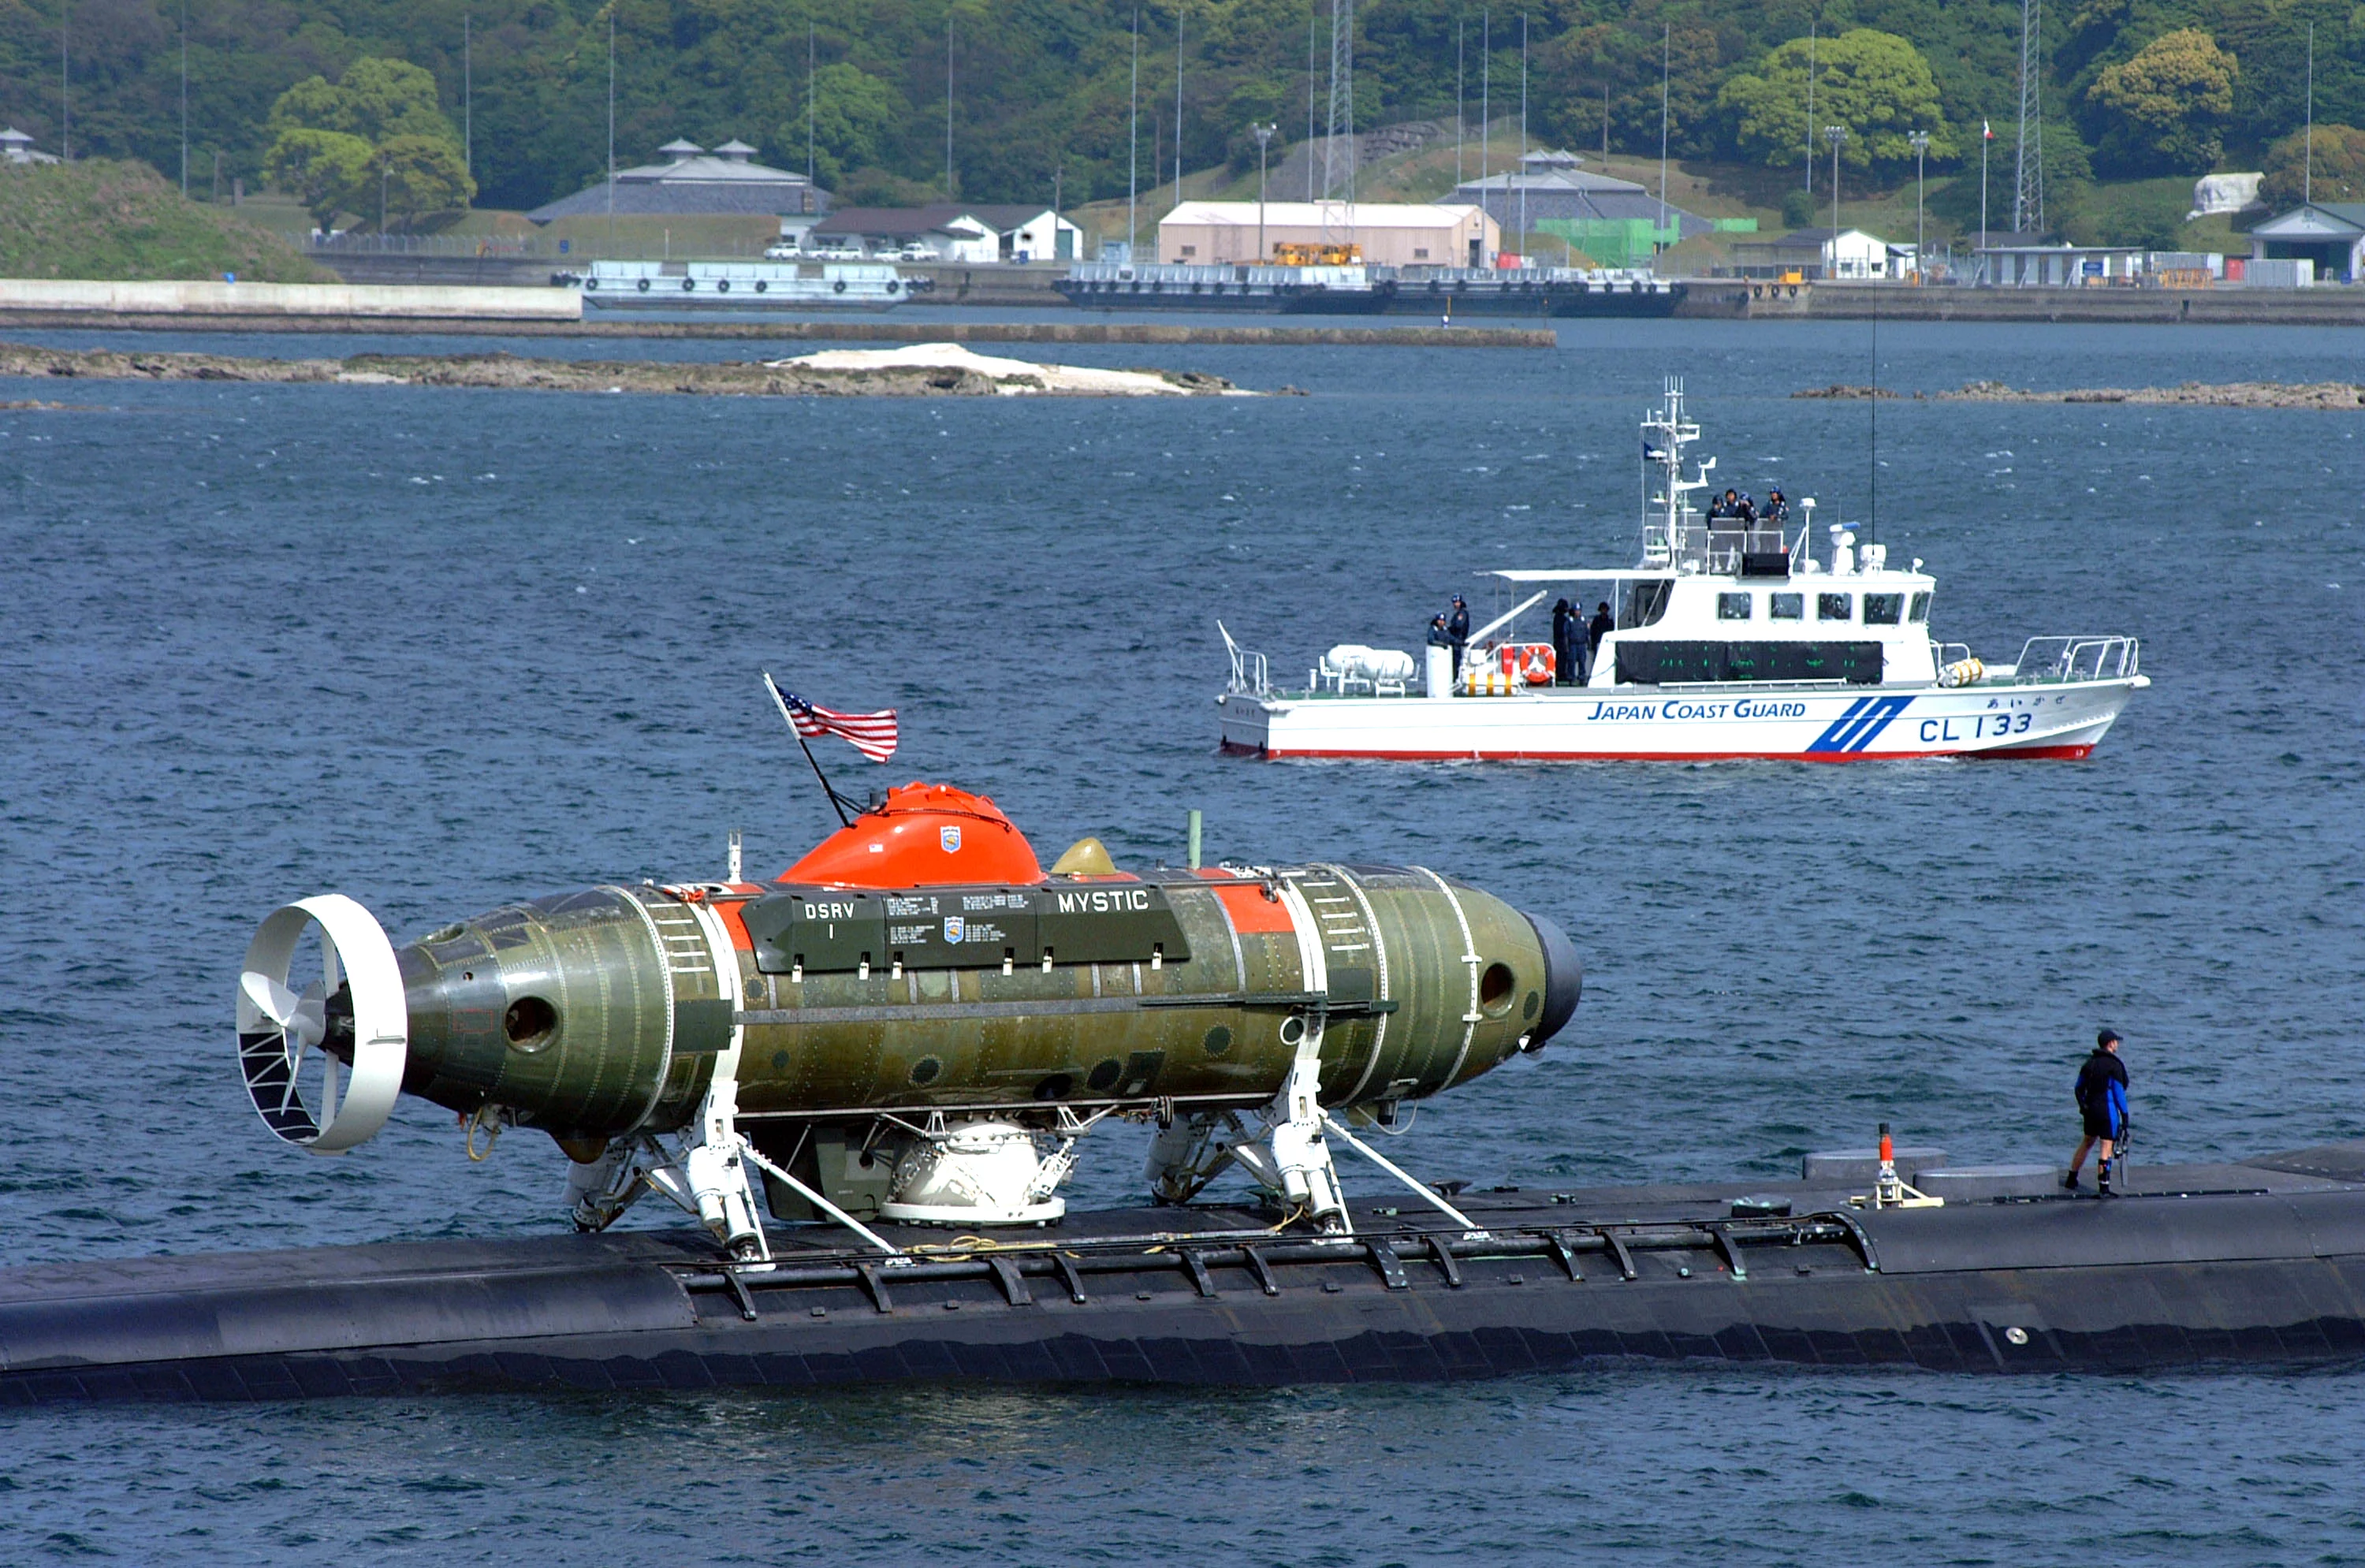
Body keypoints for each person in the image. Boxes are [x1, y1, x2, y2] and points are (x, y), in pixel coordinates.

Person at [2064, 1027, 2130, 1195]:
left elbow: (2079, 1088)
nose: (2117, 1045)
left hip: (2090, 1109)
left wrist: (2083, 1105)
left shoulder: (2089, 1063)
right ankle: (2104, 1186)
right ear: (2110, 1044)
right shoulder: (2115, 1065)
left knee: (2087, 1142)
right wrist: (2125, 1115)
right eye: (2116, 1042)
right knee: (2106, 1145)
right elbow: (2118, 1092)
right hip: (2107, 1110)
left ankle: (2072, 1178)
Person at [1551, 598, 1577, 685]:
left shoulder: (1558, 618)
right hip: (1561, 642)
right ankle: (1561, 674)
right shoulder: (1561, 619)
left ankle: (1561, 674)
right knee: (1561, 659)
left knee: (1562, 659)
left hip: (1559, 641)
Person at [1446, 594, 1471, 677]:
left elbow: (1458, 625)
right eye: (1454, 602)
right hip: (1456, 639)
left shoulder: (1462, 613)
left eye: (1457, 602)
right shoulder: (1458, 613)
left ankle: (1456, 677)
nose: (1455, 604)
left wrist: (1450, 629)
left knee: (1456, 661)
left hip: (1458, 639)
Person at [1588, 600, 1614, 669]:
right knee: (1597, 659)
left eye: (1605, 609)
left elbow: (1612, 632)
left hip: (1607, 643)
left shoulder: (1610, 620)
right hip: (1598, 642)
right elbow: (1593, 632)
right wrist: (1593, 644)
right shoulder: (1596, 620)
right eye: (1602, 609)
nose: (1604, 611)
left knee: (1607, 659)